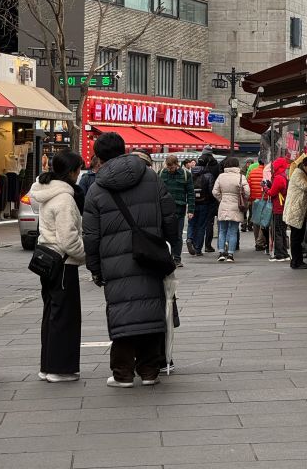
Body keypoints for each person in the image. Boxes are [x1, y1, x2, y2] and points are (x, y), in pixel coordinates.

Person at [83, 132, 177, 387]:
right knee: (149, 308)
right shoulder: (150, 177)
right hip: (150, 256)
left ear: (99, 157)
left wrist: (95, 268)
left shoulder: (96, 188)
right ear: (124, 150)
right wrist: (172, 250)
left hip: (114, 262)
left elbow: (90, 235)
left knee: (122, 312)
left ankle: (123, 373)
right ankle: (149, 371)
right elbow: (170, 215)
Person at [29, 151, 86, 383]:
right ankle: (59, 369)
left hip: (47, 261)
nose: (79, 173)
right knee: (65, 317)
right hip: (63, 263)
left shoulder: (45, 191)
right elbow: (68, 238)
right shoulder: (65, 198)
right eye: (78, 169)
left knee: (52, 314)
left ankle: (47, 365)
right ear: (71, 171)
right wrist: (85, 255)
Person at [284, 156, 307, 269]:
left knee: (298, 238)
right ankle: (296, 262)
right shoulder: (298, 174)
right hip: (295, 211)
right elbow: (305, 186)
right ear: (304, 166)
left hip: (301, 211)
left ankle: (297, 261)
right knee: (296, 238)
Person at [212, 156, 250, 262]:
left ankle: (221, 253)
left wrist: (221, 198)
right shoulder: (241, 177)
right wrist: (242, 199)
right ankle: (230, 254)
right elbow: (247, 192)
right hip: (235, 206)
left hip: (223, 205)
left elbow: (215, 191)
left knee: (222, 230)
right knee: (233, 231)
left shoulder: (221, 177)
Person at [160, 153, 195, 267]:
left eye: (172, 167)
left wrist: (191, 210)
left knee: (178, 235)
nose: (170, 169)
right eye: (168, 167)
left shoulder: (185, 174)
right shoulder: (161, 173)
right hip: (164, 209)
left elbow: (190, 193)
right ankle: (168, 257)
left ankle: (177, 258)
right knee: (165, 234)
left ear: (177, 164)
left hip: (179, 209)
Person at [187, 152, 216, 256]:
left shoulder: (190, 174)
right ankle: (198, 249)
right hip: (204, 203)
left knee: (191, 223)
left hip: (192, 203)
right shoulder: (208, 175)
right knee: (201, 226)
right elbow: (211, 190)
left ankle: (190, 238)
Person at [267, 157, 290, 261]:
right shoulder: (283, 176)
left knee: (278, 231)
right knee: (282, 230)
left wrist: (265, 188)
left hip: (278, 208)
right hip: (283, 207)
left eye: (274, 165)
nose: (273, 167)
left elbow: (272, 193)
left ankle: (279, 254)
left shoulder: (278, 177)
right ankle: (284, 253)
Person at [247, 159, 268, 250]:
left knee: (256, 221)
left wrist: (250, 198)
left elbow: (249, 186)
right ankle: (260, 241)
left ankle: (257, 240)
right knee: (264, 221)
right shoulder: (267, 173)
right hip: (265, 199)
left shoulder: (252, 172)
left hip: (254, 200)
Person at [202, 150, 221, 252]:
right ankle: (217, 246)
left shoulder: (200, 163)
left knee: (205, 222)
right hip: (214, 197)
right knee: (218, 222)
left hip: (202, 197)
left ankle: (201, 244)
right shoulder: (215, 164)